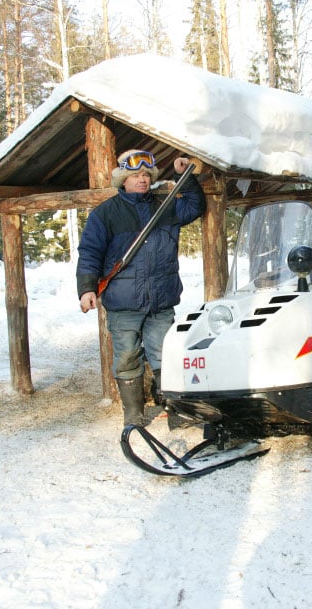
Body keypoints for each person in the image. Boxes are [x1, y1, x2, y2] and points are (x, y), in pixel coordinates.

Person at [76, 149, 206, 426]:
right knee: (126, 358)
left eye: (146, 174)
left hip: (161, 300)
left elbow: (196, 207)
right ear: (123, 179)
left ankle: (175, 412)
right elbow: (89, 253)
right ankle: (133, 415)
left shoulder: (166, 205)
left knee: (164, 355)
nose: (143, 179)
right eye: (136, 175)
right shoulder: (105, 214)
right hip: (123, 303)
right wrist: (87, 288)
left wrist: (186, 175)